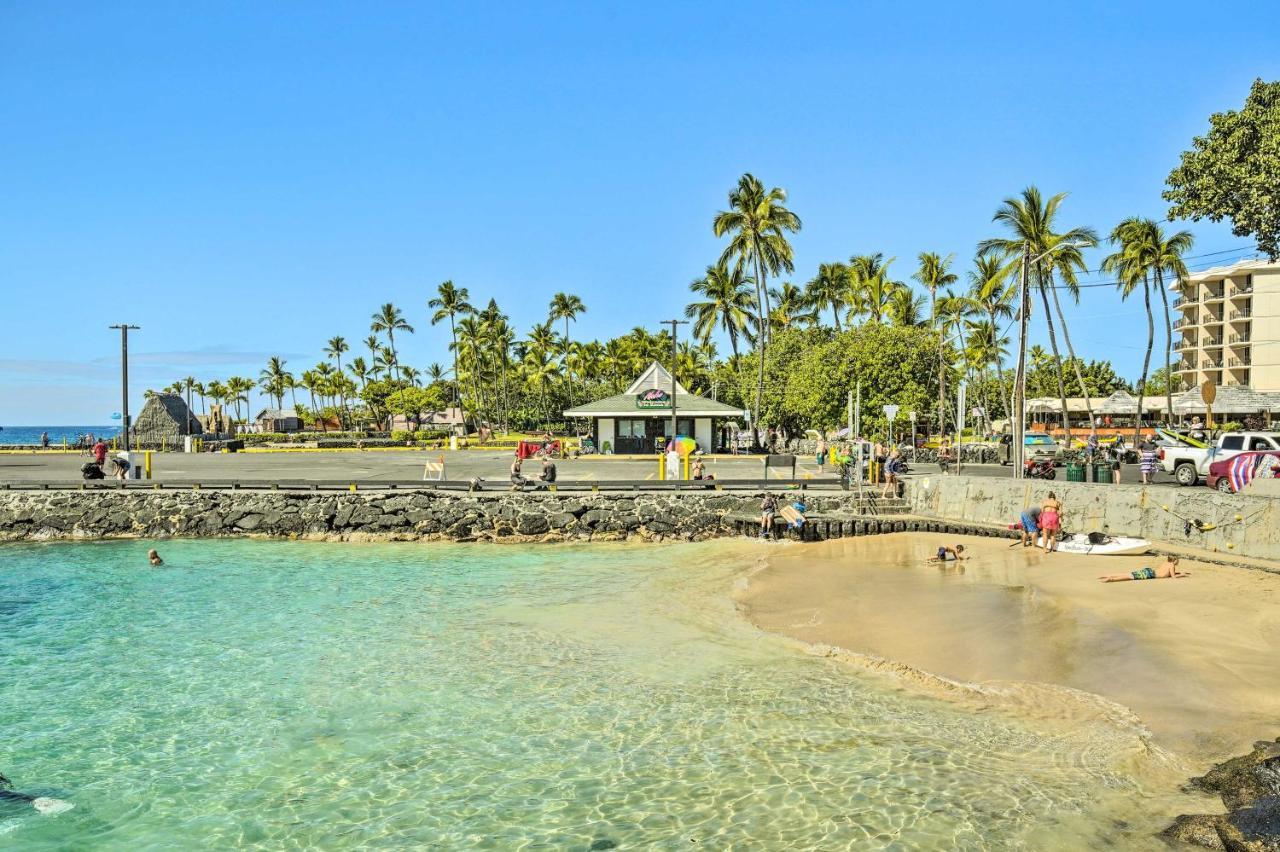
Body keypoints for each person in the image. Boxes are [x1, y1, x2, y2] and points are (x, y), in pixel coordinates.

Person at [1099, 556, 1189, 583]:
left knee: (1130, 574)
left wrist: (1179, 572)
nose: (1178, 562)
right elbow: (1173, 577)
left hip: (1150, 572)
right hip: (1150, 575)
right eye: (1177, 560)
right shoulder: (1171, 565)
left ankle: (1109, 575)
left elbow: (1168, 573)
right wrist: (1183, 575)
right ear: (1175, 561)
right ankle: (1111, 579)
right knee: (1131, 577)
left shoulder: (1165, 563)